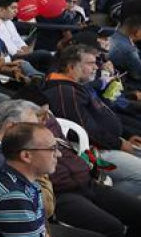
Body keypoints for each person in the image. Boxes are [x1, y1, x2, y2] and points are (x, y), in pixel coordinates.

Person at [46, 44, 141, 198]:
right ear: (71, 67)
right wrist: (119, 143)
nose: (96, 67)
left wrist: (127, 135)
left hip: (109, 143)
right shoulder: (64, 91)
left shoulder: (75, 86)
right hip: (94, 152)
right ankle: (104, 201)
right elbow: (85, 130)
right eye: (90, 63)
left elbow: (102, 114)